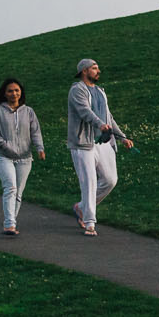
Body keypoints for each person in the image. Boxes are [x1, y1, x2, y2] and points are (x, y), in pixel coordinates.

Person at [67, 58, 132, 237]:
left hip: (103, 143)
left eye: (97, 68)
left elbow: (108, 116)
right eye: (94, 68)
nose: (98, 71)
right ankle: (90, 223)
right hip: (83, 144)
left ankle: (81, 208)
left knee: (111, 180)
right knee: (89, 182)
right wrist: (100, 124)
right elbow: (85, 112)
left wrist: (122, 137)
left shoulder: (101, 92)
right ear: (84, 71)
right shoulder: (77, 90)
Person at [0, 78, 46, 237]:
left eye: (17, 90)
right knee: (10, 187)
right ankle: (9, 225)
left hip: (25, 158)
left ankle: (11, 220)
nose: (14, 93)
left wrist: (40, 148)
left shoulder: (28, 112)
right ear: (4, 94)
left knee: (18, 192)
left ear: (21, 92)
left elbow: (35, 132)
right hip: (3, 157)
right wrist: (6, 146)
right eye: (10, 91)